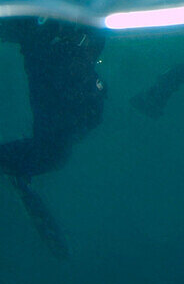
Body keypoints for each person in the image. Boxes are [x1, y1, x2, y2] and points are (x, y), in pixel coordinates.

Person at [1, 19, 107, 257]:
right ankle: (17, 165)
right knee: (55, 151)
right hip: (50, 51)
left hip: (55, 56)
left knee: (57, 148)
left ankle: (19, 166)